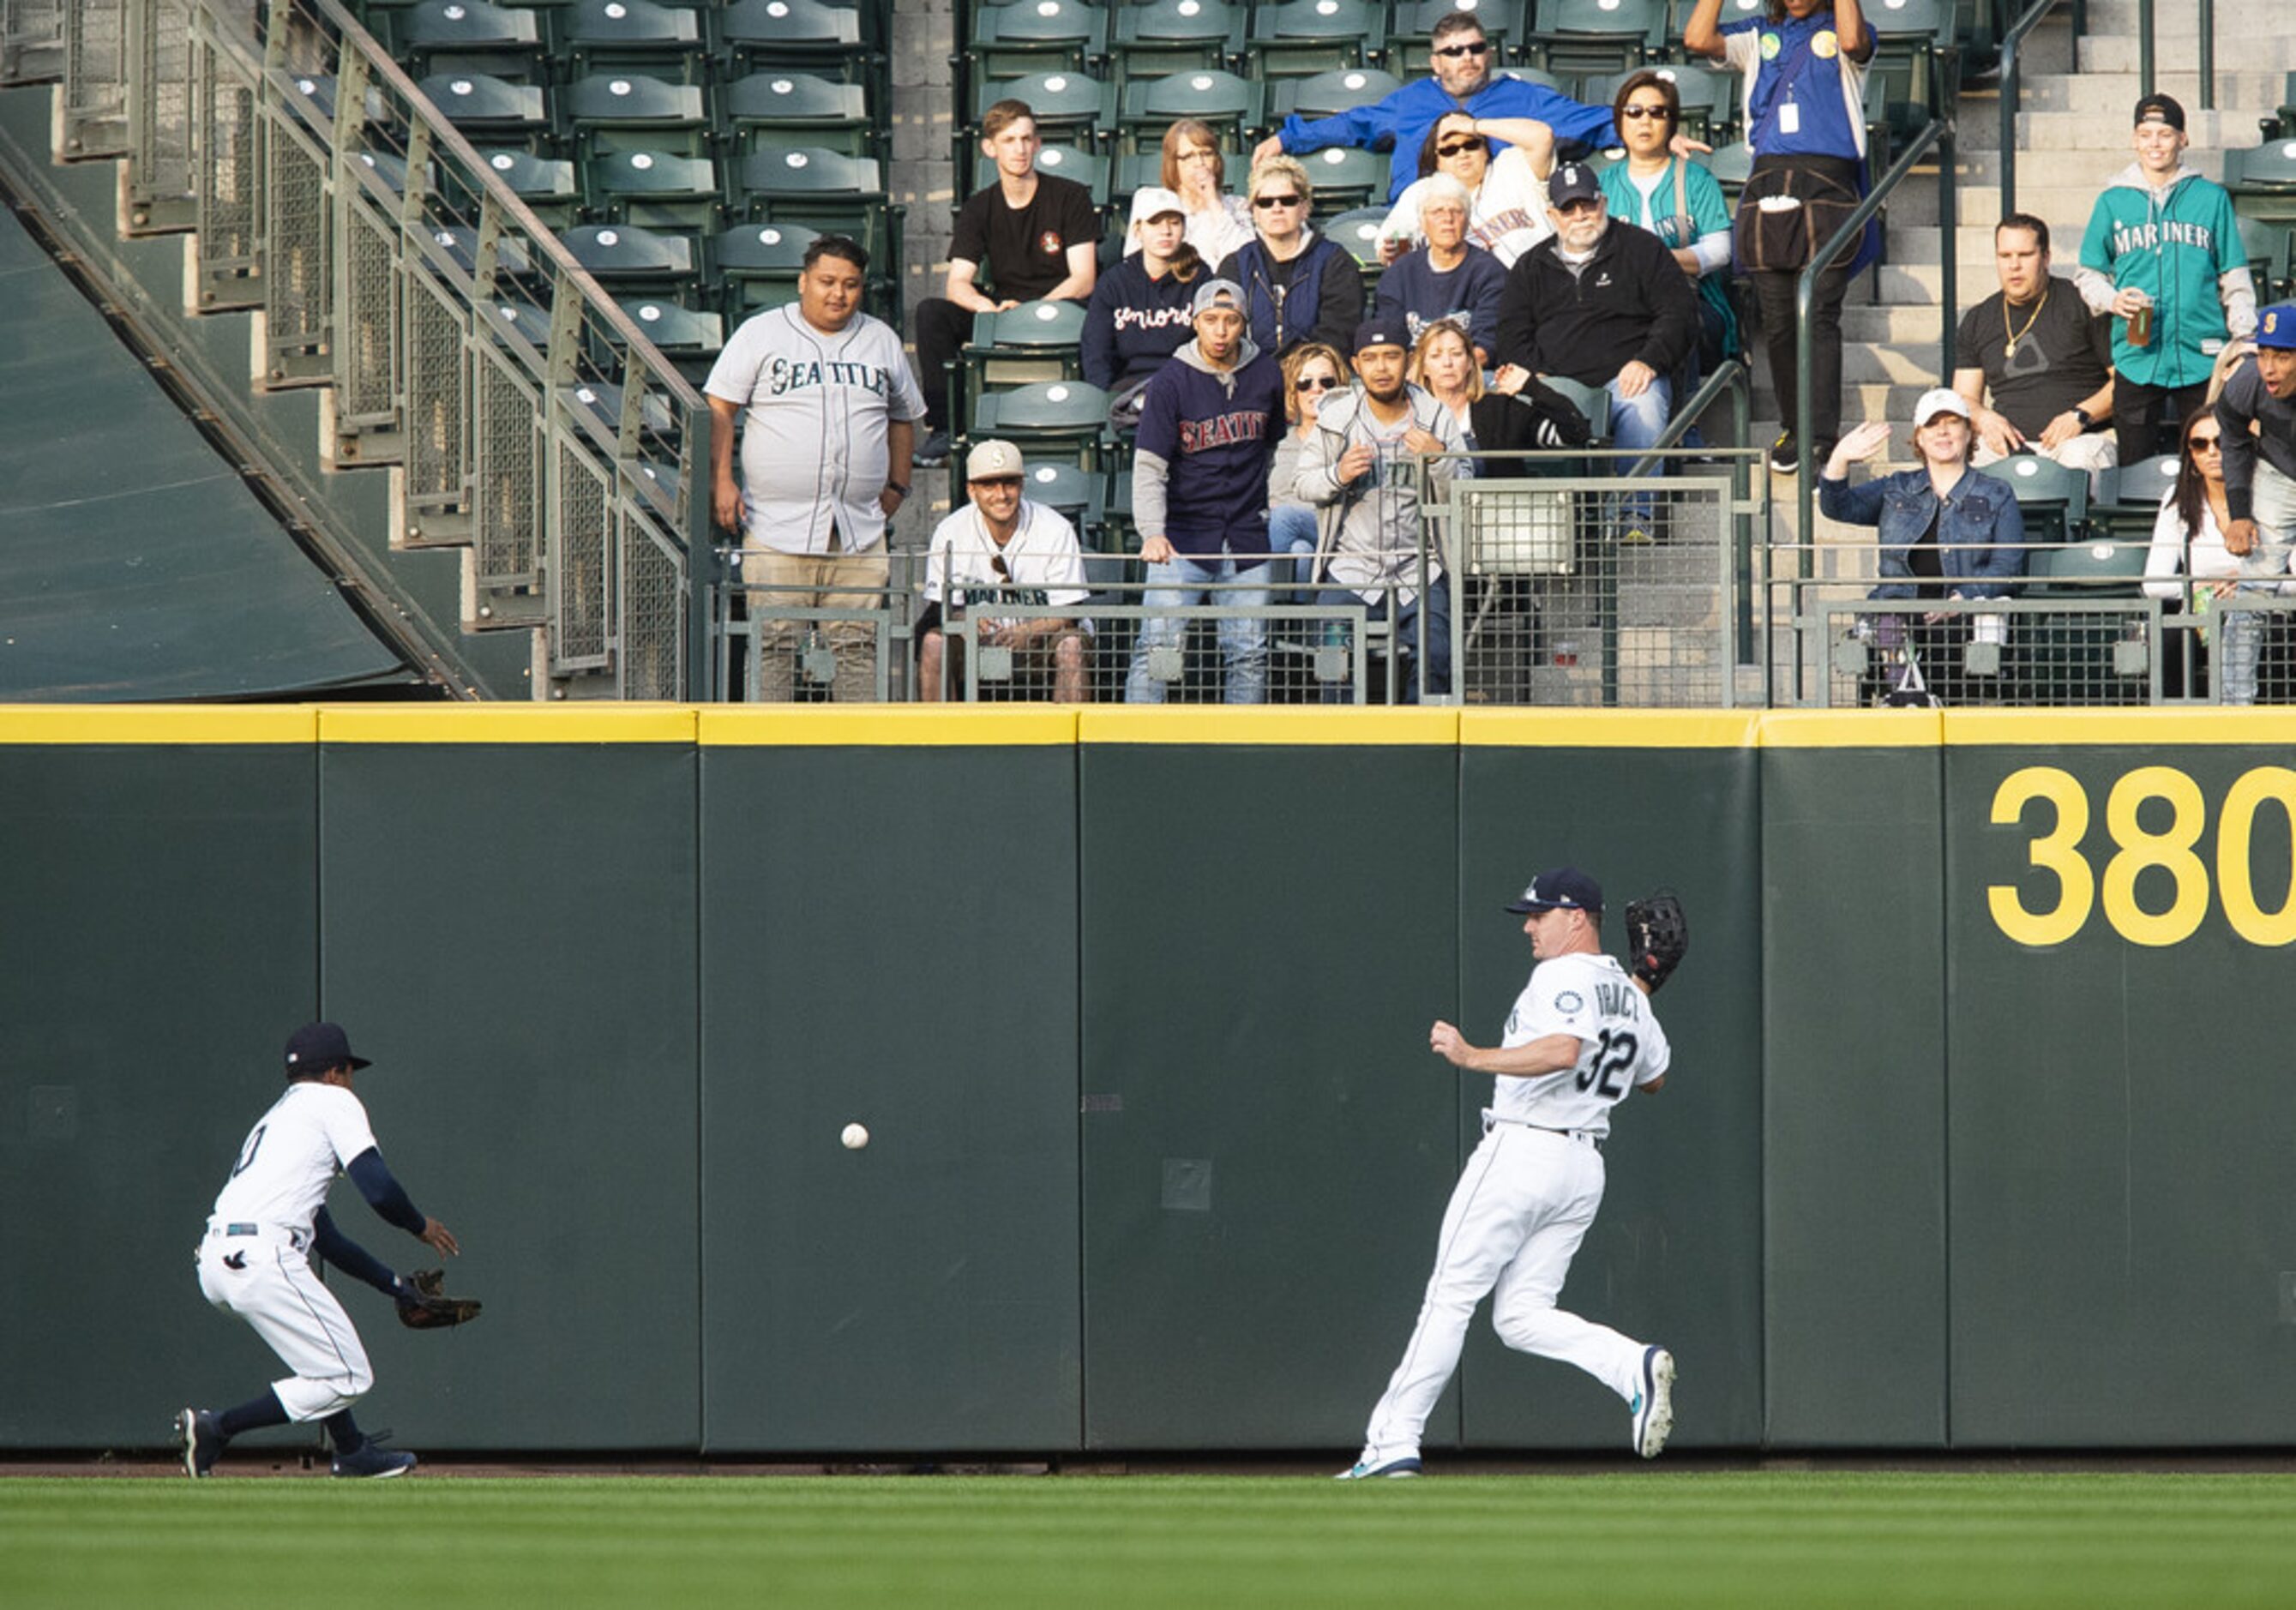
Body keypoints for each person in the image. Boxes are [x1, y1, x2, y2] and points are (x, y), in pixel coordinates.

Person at [1338, 868, 1674, 1479]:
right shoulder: (1629, 994)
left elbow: (1564, 1049)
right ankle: (1632, 1365)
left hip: (1523, 1153)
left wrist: (1472, 1055)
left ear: (1577, 919)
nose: (1529, 925)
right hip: (1582, 1168)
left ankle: (1391, 1442)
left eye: (1540, 913)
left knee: (1449, 1297)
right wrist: (1642, 989)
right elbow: (1653, 1077)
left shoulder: (1562, 974)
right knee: (1520, 1315)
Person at [177, 1022, 461, 1481]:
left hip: (218, 1261)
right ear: (334, 1073)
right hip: (264, 1256)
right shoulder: (334, 1102)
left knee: (319, 1362)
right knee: (349, 1377)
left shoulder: (280, 1120)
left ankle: (350, 1451)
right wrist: (420, 1226)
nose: (352, 1082)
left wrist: (394, 1286)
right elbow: (380, 1190)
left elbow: (326, 1239)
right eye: (350, 1071)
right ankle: (216, 1428)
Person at [706, 233, 924, 702]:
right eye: (827, 281)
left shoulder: (880, 339)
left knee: (858, 646)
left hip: (858, 530)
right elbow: (720, 406)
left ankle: (857, 756)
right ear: (803, 282)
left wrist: (898, 487)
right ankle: (769, 753)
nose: (838, 294)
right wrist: (721, 480)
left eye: (850, 284)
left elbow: (904, 416)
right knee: (775, 644)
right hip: (775, 525)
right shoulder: (762, 332)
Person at [1684, 0, 1878, 476]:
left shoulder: (1847, 28)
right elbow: (1696, 39)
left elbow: (1854, 43)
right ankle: (1795, 427)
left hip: (1829, 182)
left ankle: (1822, 437)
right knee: (1777, 320)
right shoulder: (1757, 34)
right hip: (1768, 181)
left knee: (1820, 314)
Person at [1255, 10, 1620, 206]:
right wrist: (1287, 138)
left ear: (1489, 53)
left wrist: (1663, 137)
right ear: (1435, 61)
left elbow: (1596, 121)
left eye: (1476, 48)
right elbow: (1354, 124)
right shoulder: (1409, 102)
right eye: (1454, 51)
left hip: (1499, 219)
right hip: (1419, 217)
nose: (1468, 58)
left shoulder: (1525, 99)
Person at [1126, 279, 1289, 703]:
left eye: (1231, 321)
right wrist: (1151, 532)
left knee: (1249, 654)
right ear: (1195, 321)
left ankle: (1241, 751)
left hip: (1247, 536)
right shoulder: (1170, 381)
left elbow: (1270, 447)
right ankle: (1133, 750)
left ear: (1244, 324)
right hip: (1181, 536)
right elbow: (1149, 466)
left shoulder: (1267, 372)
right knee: (1158, 651)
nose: (1221, 331)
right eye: (1211, 320)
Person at [911, 100, 1099, 465]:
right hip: (1002, 306)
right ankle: (946, 429)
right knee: (932, 313)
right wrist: (990, 309)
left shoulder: (1070, 196)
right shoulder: (979, 207)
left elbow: (1083, 278)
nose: (1021, 149)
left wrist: (1031, 313)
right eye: (1010, 140)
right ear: (989, 148)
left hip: (1063, 306)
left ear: (1038, 144)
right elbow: (959, 284)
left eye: (1027, 139)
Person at [2076, 94, 2256, 466]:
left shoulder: (2211, 198)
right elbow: (2088, 274)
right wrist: (2112, 300)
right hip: (2137, 353)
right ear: (2134, 139)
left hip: (2203, 352)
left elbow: (2234, 276)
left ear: (2183, 139)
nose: (2155, 143)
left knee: (2210, 463)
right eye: (2146, 134)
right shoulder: (2112, 200)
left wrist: (2243, 340)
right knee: (2133, 465)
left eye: (2165, 134)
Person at [1295, 318, 1465, 702]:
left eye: (1391, 356)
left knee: (1437, 657)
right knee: (1330, 662)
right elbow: (1303, 483)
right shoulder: (1337, 420)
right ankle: (1342, 750)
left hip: (1419, 566)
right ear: (1356, 365)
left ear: (1409, 360)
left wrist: (1439, 460)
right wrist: (1337, 474)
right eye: (1370, 358)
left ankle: (1419, 748)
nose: (1381, 367)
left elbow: (1463, 493)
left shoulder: (1436, 416)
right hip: (1351, 568)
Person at [1819, 388, 2027, 701]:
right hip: (1901, 611)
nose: (1943, 431)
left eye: (1953, 422)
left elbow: (2009, 565)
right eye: (1932, 425)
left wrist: (1961, 598)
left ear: (1970, 433)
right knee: (1890, 620)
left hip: (1963, 612)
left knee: (1967, 627)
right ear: (1919, 437)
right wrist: (1840, 458)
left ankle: (1921, 698)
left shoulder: (1997, 492)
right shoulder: (1897, 488)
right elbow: (1838, 507)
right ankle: (1907, 694)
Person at [1494, 162, 1699, 463]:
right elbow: (1512, 334)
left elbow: (1678, 314)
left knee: (1644, 405)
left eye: (1587, 204)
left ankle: (1633, 511)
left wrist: (1648, 361)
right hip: (1553, 384)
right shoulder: (1530, 265)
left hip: (1626, 380)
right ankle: (1536, 509)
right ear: (1552, 215)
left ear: (1603, 202)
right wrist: (1537, 378)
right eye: (1568, 209)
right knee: (1497, 405)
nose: (1580, 216)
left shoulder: (1643, 248)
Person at [1952, 214, 2118, 494]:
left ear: (2046, 257)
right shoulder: (1979, 319)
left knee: (2082, 460)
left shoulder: (2082, 303)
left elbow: (2126, 383)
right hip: (2004, 446)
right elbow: (1964, 398)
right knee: (1955, 457)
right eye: (2005, 255)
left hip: (2078, 439)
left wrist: (2081, 415)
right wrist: (1984, 418)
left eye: (2025, 254)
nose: (2014, 265)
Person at [917, 440, 1091, 703]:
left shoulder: (1056, 528)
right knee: (934, 643)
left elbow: (1069, 613)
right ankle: (940, 740)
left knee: (1071, 646)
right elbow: (941, 609)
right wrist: (966, 619)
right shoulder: (951, 531)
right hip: (976, 641)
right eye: (989, 485)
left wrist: (1030, 631)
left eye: (1009, 483)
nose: (1001, 494)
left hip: (1043, 640)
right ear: (971, 490)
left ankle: (1066, 742)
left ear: (1022, 485)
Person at [1595, 70, 1737, 392]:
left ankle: (1686, 426)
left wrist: (1656, 261)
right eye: (1634, 112)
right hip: (1617, 302)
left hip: (1693, 300)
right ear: (1620, 121)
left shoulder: (1697, 180)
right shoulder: (1602, 185)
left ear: (1671, 123)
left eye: (1657, 112)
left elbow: (1719, 250)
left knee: (1674, 316)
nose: (1645, 121)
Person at [2213, 301, 2296, 700]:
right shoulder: (2247, 382)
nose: (2269, 367)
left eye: (2282, 355)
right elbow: (2231, 437)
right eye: (2263, 353)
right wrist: (2240, 513)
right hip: (2279, 474)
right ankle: (2235, 706)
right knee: (2253, 593)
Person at [2143, 406, 2247, 700]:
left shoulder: (2275, 499)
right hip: (2201, 610)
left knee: (2270, 634)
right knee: (2172, 637)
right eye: (2200, 445)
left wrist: (2250, 582)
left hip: (2261, 610)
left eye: (2222, 442)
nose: (2212, 452)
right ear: (2191, 455)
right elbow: (2153, 583)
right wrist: (2198, 586)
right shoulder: (2177, 503)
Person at [1215, 157, 1365, 360]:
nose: (1277, 208)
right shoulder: (1235, 265)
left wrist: (1293, 371)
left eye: (1287, 201)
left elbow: (1337, 335)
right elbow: (1225, 332)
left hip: (1315, 379)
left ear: (1304, 208)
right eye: (1266, 202)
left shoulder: (1335, 262)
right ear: (1255, 212)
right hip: (1249, 378)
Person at [1379, 111, 1554, 268]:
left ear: (1485, 149)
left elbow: (1542, 137)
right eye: (1450, 149)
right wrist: (1390, 250)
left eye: (1471, 144)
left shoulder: (1511, 166)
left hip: (1539, 282)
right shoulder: (1421, 192)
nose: (1462, 154)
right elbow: (1390, 245)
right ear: (1436, 160)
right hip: (1467, 295)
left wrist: (1473, 126)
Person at [1083, 187, 1204, 408]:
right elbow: (1097, 354)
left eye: (1174, 223)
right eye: (1155, 223)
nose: (1165, 231)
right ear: (1138, 230)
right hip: (1130, 390)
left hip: (1187, 387)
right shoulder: (1114, 283)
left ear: (1184, 229)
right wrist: (1105, 402)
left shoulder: (1200, 277)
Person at [1373, 176, 1506, 363]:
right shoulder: (1399, 274)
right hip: (1412, 377)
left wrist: (1448, 373)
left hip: (1471, 375)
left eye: (1456, 211)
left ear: (1467, 221)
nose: (1448, 219)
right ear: (1422, 223)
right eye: (1437, 212)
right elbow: (1390, 341)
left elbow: (1486, 346)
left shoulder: (1490, 272)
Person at [1268, 341, 1349, 590]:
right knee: (1300, 552)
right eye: (1305, 383)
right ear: (1293, 390)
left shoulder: (1348, 438)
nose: (1316, 390)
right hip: (1285, 534)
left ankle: (1261, 607)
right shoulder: (1277, 442)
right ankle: (1301, 626)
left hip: (1332, 526)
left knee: (1283, 517)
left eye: (1327, 383)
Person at [1140, 117, 1255, 267]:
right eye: (1188, 156)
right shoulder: (1155, 206)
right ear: (1173, 163)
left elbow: (1246, 262)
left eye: (1207, 154)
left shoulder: (1237, 206)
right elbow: (1135, 263)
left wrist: (1214, 203)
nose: (1200, 163)